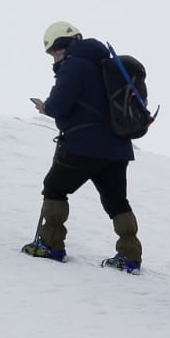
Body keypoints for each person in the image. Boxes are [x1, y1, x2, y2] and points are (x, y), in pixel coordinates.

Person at [22, 21, 143, 270]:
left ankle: (51, 244)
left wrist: (46, 107)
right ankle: (130, 256)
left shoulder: (74, 65)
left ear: (59, 47)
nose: (52, 58)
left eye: (52, 52)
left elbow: (59, 105)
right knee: (117, 200)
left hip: (83, 144)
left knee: (54, 187)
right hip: (117, 147)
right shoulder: (103, 63)